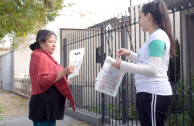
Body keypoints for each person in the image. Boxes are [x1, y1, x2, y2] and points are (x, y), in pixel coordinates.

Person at [112, 0, 175, 126]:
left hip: (153, 93)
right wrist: (129, 54)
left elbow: (152, 69)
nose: (139, 22)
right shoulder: (155, 37)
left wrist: (122, 65)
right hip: (149, 93)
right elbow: (144, 62)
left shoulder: (157, 38)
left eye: (140, 17)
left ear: (148, 16)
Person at [29, 29, 75, 126]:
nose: (54, 45)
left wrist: (62, 81)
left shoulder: (40, 55)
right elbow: (42, 81)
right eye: (51, 42)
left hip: (41, 103)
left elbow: (49, 79)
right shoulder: (41, 56)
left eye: (55, 42)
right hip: (44, 105)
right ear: (41, 43)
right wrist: (63, 72)